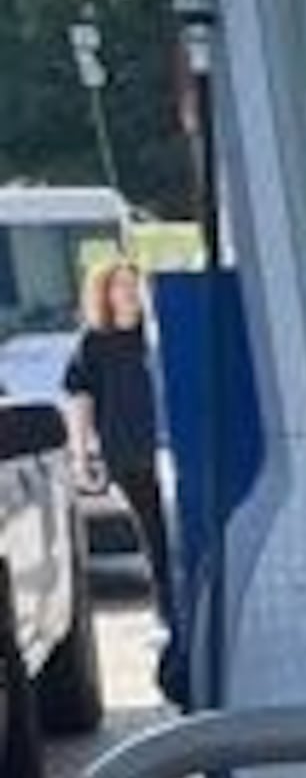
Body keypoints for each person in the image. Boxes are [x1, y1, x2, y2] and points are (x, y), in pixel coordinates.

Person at [64, 258, 175, 617]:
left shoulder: (158, 334)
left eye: (133, 284)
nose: (128, 292)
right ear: (105, 294)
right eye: (119, 285)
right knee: (154, 535)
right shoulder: (94, 343)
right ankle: (167, 611)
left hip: (167, 450)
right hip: (125, 452)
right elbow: (81, 400)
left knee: (178, 533)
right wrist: (81, 458)